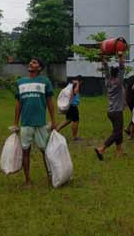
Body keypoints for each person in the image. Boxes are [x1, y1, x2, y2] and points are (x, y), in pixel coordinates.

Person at [13, 57, 56, 187]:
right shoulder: (20, 82)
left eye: (35, 62)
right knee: (26, 151)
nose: (31, 63)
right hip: (25, 123)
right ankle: (27, 180)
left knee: (46, 151)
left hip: (41, 123)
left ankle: (51, 176)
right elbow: (18, 104)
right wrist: (15, 123)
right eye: (30, 61)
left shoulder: (45, 81)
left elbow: (50, 102)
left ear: (40, 68)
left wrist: (53, 121)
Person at [94, 51, 126, 161]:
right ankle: (101, 148)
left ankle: (119, 151)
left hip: (110, 111)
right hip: (117, 112)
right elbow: (122, 68)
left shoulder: (108, 81)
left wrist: (103, 58)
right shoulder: (118, 82)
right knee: (117, 132)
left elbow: (106, 68)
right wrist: (120, 57)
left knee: (118, 131)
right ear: (117, 74)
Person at [57, 75, 82, 141]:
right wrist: (78, 84)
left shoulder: (70, 85)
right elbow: (75, 92)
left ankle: (57, 129)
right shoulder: (75, 85)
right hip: (72, 106)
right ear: (80, 81)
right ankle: (75, 137)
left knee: (68, 120)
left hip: (70, 105)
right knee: (76, 120)